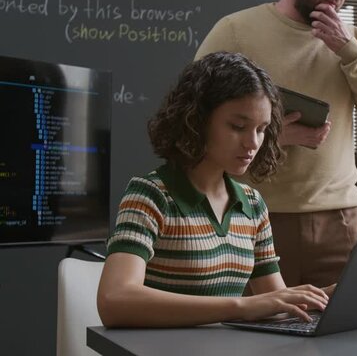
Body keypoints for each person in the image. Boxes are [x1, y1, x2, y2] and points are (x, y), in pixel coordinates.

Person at [97, 52, 333, 327]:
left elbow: (274, 303)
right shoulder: (151, 196)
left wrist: (329, 297)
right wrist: (240, 306)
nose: (253, 143)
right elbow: (114, 301)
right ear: (196, 120)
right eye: (238, 126)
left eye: (262, 129)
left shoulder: (252, 204)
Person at [194, 0, 357, 288]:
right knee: (255, 332)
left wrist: (351, 52)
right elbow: (192, 121)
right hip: (252, 218)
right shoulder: (235, 31)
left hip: (342, 221)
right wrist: (270, 138)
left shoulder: (350, 39)